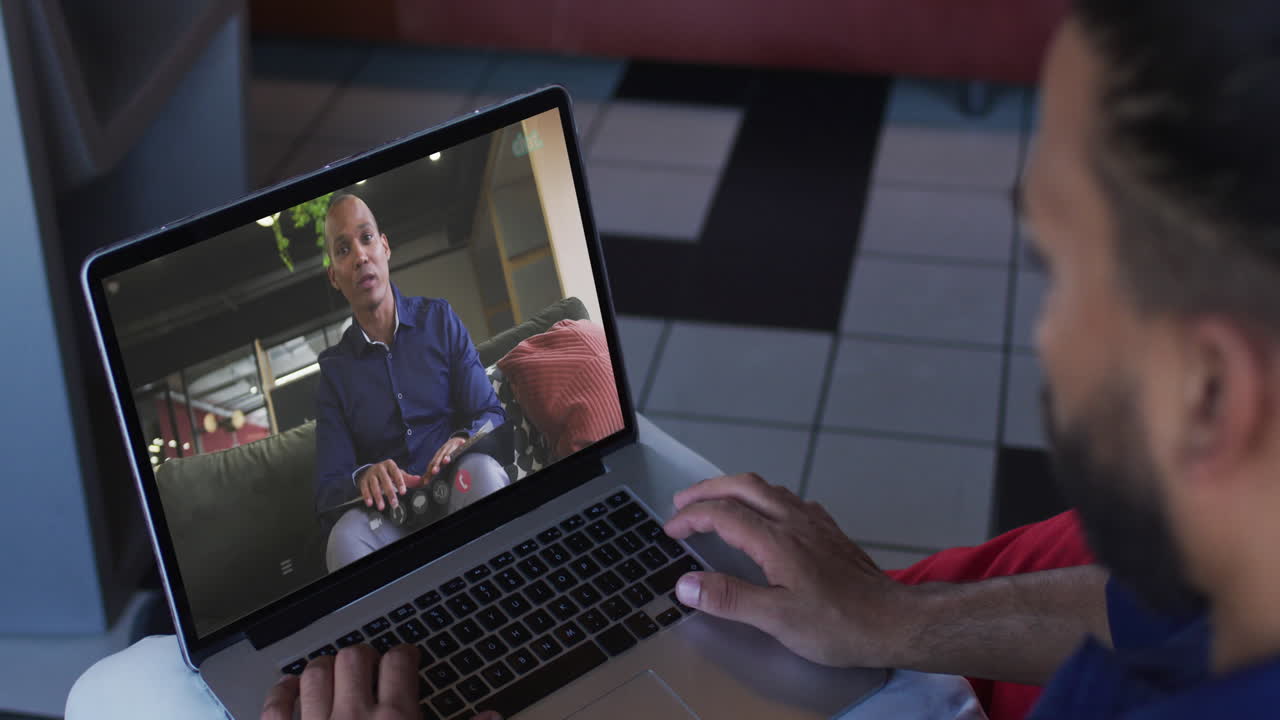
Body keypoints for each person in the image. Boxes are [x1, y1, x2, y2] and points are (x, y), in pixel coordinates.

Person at [268, 0, 1280, 717]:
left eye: (1056, 270)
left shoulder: (442, 323)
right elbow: (1166, 616)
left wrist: (453, 447)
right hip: (383, 531)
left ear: (1212, 391)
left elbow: (485, 415)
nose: (1041, 332)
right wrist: (897, 621)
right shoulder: (1235, 575)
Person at [315, 193, 510, 572]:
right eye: (343, 249)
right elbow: (327, 489)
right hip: (389, 522)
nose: (360, 256)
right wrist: (363, 477)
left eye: (366, 238)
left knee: (484, 473)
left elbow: (491, 414)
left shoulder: (440, 320)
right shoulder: (334, 372)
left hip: (459, 487)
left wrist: (463, 439)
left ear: (385, 247)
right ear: (334, 276)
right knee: (343, 539)